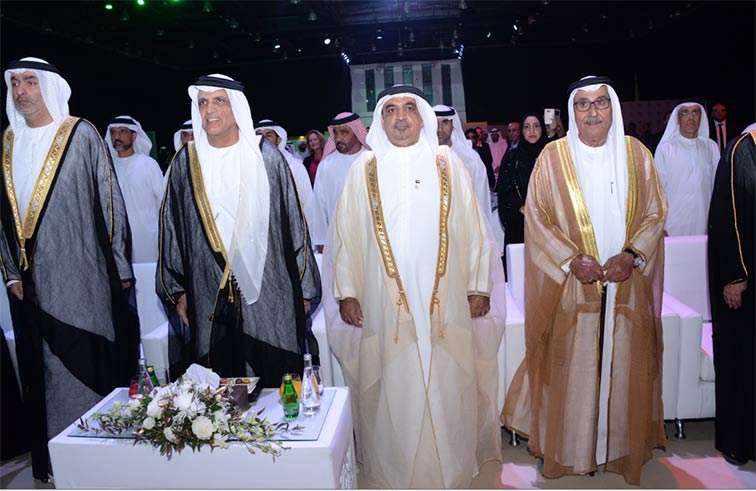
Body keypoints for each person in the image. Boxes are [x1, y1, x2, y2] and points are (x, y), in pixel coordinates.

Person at [323, 85, 506, 488]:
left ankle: (450, 466)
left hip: (444, 297)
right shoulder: (364, 168)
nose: (401, 117)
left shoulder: (447, 163)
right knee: (394, 382)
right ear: (380, 120)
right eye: (390, 110)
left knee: (446, 379)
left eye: (409, 108)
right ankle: (397, 468)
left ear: (422, 117)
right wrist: (347, 292)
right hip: (384, 300)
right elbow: (345, 235)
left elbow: (474, 226)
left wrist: (479, 285)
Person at [501, 76, 667, 485]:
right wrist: (571, 259)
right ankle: (571, 450)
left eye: (601, 103)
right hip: (572, 286)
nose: (593, 112)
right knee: (570, 370)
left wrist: (632, 255)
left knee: (623, 366)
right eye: (583, 104)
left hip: (626, 283)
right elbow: (537, 217)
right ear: (572, 112)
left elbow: (655, 212)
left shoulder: (637, 154)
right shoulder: (553, 157)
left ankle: (617, 449)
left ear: (613, 108)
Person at [1, 57, 139, 481]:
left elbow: (109, 200)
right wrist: (11, 272)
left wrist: (119, 266)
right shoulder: (8, 142)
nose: (21, 91)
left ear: (48, 86)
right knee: (43, 371)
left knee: (87, 362)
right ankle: (56, 464)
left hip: (85, 278)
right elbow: (3, 216)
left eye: (30, 81)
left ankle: (99, 460)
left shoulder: (80, 134)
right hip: (30, 285)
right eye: (14, 83)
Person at [157, 74, 321, 387]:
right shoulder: (185, 161)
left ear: (237, 106)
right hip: (207, 289)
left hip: (269, 288)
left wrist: (303, 289)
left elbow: (293, 224)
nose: (209, 109)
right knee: (217, 382)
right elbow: (172, 230)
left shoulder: (266, 156)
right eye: (202, 102)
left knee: (275, 374)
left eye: (219, 100)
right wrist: (177, 290)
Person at [707, 127, 755, 467]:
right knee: (743, 359)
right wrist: (735, 275)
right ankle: (740, 441)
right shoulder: (743, 150)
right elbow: (728, 219)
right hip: (745, 280)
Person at [105, 115, 164, 262]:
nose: (117, 136)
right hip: (118, 241)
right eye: (113, 132)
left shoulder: (148, 164)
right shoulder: (107, 168)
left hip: (148, 239)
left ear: (134, 135)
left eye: (122, 132)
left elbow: (163, 203)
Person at [654, 101, 719, 235]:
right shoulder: (666, 149)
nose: (691, 117)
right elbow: (657, 190)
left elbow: (717, 186)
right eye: (685, 113)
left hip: (704, 221)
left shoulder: (711, 147)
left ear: (701, 117)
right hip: (673, 223)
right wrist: (659, 225)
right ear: (678, 118)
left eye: (695, 112)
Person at [495, 112, 548, 279]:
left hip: (548, 224)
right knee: (520, 275)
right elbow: (504, 188)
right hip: (520, 221)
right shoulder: (513, 156)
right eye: (527, 127)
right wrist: (521, 206)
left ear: (542, 129)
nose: (531, 131)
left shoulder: (551, 155)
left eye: (536, 126)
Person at [310, 112, 369, 252]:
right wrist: (321, 240)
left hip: (369, 239)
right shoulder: (326, 165)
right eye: (335, 133)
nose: (338, 138)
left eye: (344, 132)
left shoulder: (372, 160)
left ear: (356, 132)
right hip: (337, 241)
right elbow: (318, 206)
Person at [255, 119, 316, 235]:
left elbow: (308, 204)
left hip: (292, 232)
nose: (263, 139)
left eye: (269, 135)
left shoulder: (295, 167)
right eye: (259, 135)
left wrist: (310, 237)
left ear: (279, 140)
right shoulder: (252, 168)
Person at [433, 104, 492, 216]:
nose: (439, 129)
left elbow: (480, 198)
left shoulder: (471, 159)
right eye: (435, 123)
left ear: (453, 125)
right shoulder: (422, 156)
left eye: (445, 123)